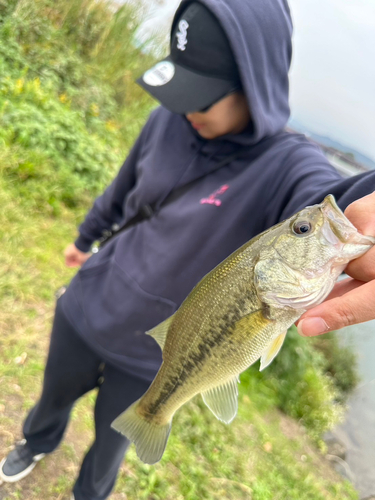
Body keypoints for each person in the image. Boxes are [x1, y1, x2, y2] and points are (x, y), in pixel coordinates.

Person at [1, 0, 375, 498]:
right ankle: (36, 441)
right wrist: (84, 239)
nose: (187, 108)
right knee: (51, 399)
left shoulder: (287, 166)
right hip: (87, 304)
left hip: (151, 356)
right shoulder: (165, 121)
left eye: (204, 96)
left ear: (255, 84)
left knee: (115, 442)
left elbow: (332, 198)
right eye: (180, 89)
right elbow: (122, 191)